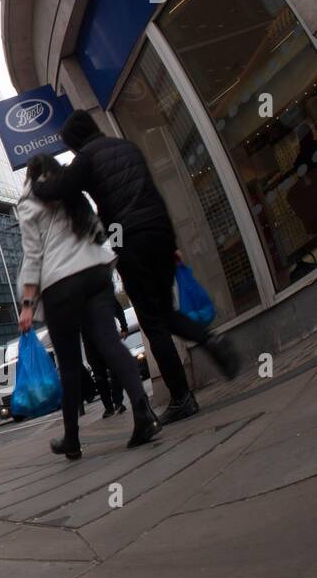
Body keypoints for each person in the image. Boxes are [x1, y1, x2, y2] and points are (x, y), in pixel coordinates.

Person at [33, 111, 240, 424]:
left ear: (75, 143)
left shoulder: (87, 158)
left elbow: (61, 189)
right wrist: (170, 244)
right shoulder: (127, 147)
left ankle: (182, 398)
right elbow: (153, 192)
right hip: (159, 231)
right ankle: (209, 339)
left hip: (132, 239)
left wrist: (37, 186)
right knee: (166, 312)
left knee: (153, 321)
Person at [17, 153, 160, 460]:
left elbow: (33, 257)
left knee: (69, 365)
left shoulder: (29, 204)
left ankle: (72, 439)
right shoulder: (73, 192)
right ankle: (143, 411)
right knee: (109, 343)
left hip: (60, 284)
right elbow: (98, 232)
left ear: (29, 177)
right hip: (95, 273)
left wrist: (27, 305)